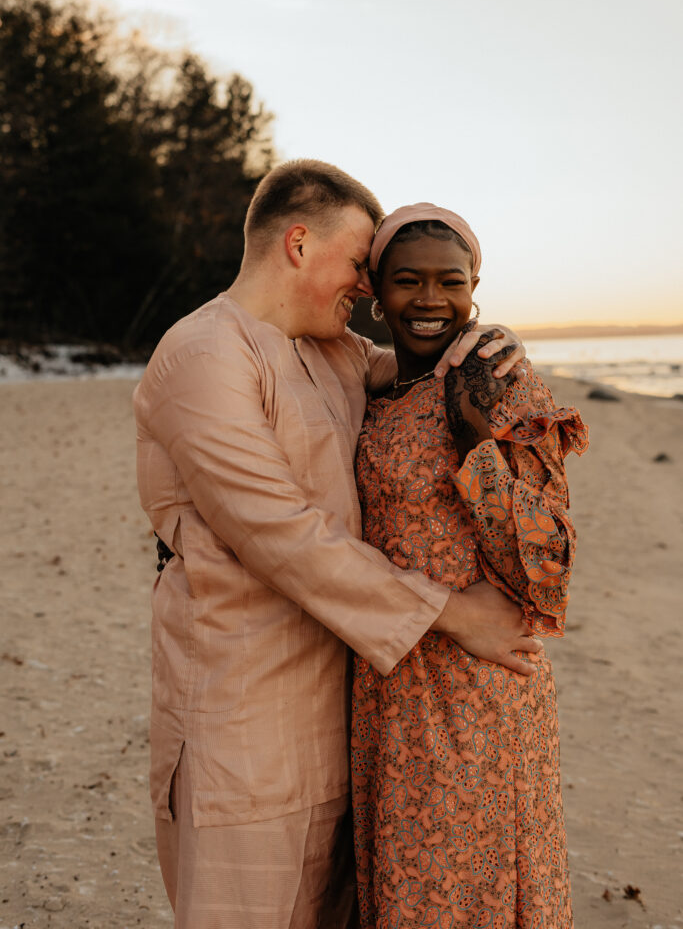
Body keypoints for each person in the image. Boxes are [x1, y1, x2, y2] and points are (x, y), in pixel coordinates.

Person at [133, 161, 536, 929]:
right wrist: (456, 614)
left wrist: (489, 342)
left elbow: (429, 362)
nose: (365, 287)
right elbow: (279, 532)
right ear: (295, 243)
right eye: (359, 263)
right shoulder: (203, 354)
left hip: (345, 714)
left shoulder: (334, 353)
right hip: (240, 716)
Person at [350, 204, 588, 929]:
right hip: (387, 678)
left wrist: (473, 440)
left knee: (476, 887)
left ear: (475, 284)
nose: (428, 301)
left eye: (448, 282)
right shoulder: (368, 388)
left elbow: (546, 565)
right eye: (406, 282)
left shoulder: (508, 390)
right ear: (374, 290)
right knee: (405, 881)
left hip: (481, 680)